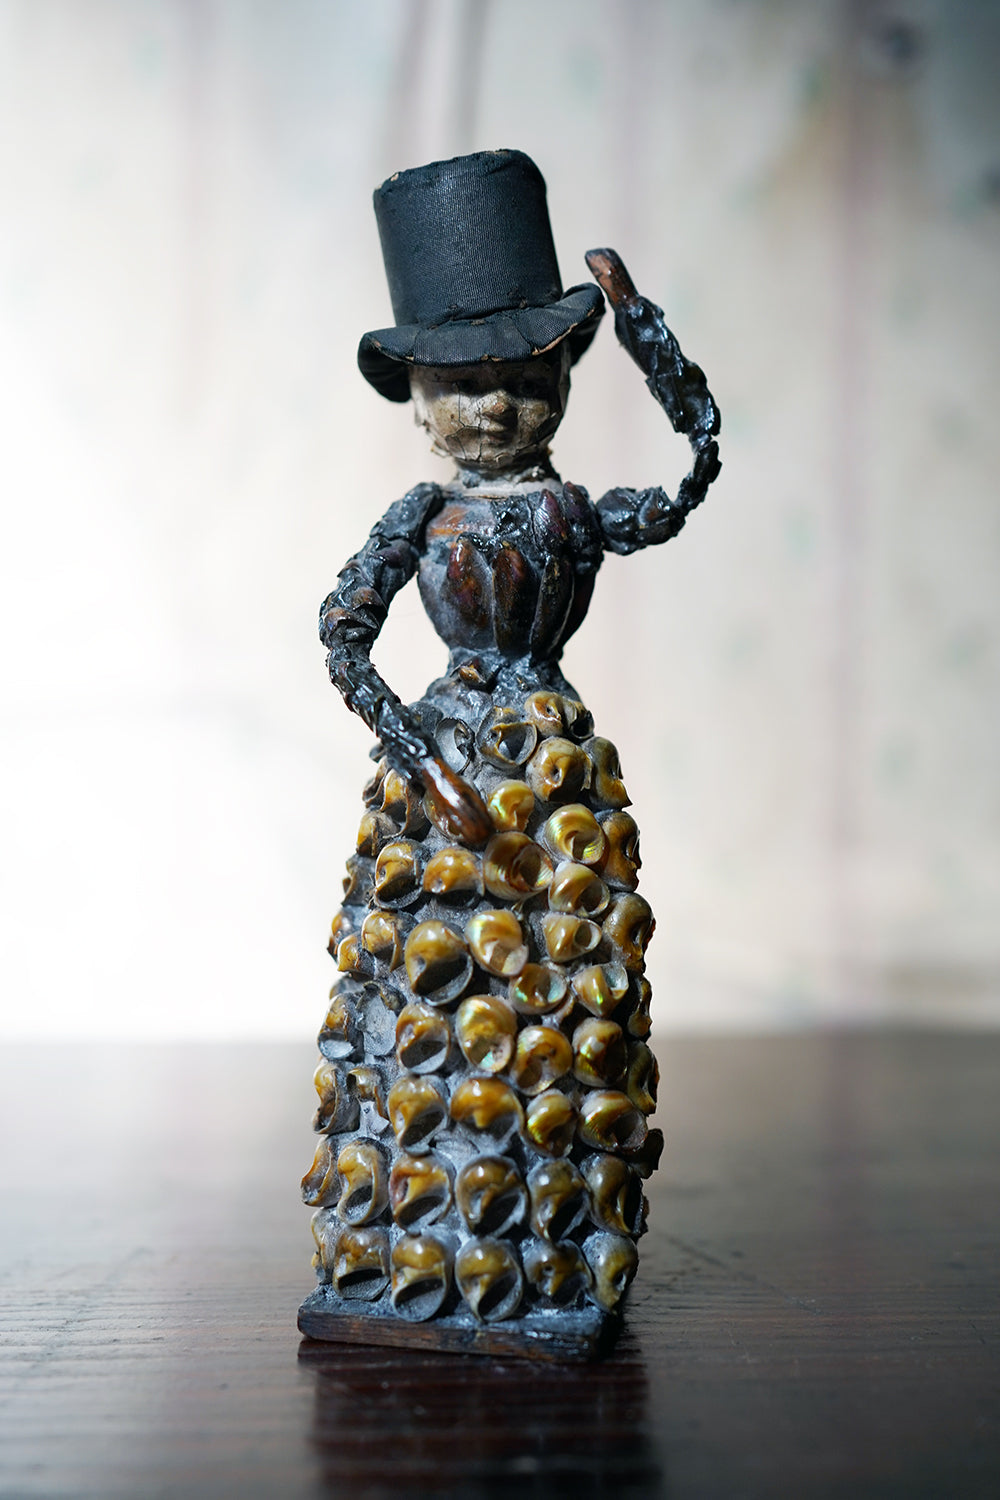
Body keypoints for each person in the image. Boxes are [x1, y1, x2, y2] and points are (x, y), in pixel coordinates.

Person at [298, 150, 721, 1356]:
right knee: (419, 984)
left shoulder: (573, 515)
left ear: (564, 377)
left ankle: (555, 1230)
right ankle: (410, 1234)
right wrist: (418, 756)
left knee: (563, 978)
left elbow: (693, 477)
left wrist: (644, 330)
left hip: (550, 768)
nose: (492, 409)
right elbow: (340, 636)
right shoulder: (420, 518)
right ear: (416, 395)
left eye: (524, 381)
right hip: (441, 772)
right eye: (461, 384)